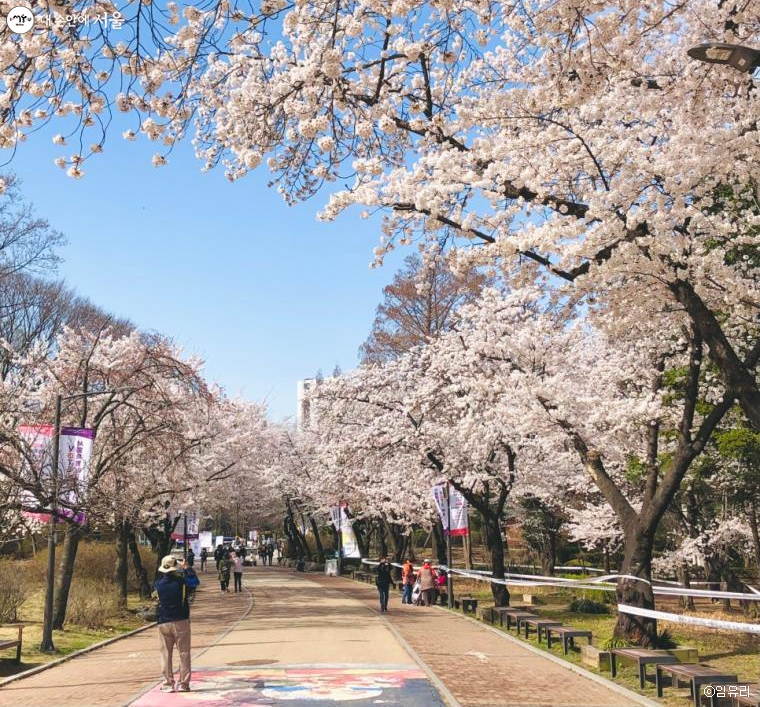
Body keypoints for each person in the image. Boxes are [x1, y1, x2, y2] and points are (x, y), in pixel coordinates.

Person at [153, 555, 192, 693]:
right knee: (184, 652)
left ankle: (168, 682)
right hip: (181, 620)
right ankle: (184, 683)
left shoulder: (158, 584)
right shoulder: (181, 582)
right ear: (176, 566)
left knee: (165, 653)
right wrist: (186, 568)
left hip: (163, 621)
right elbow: (194, 582)